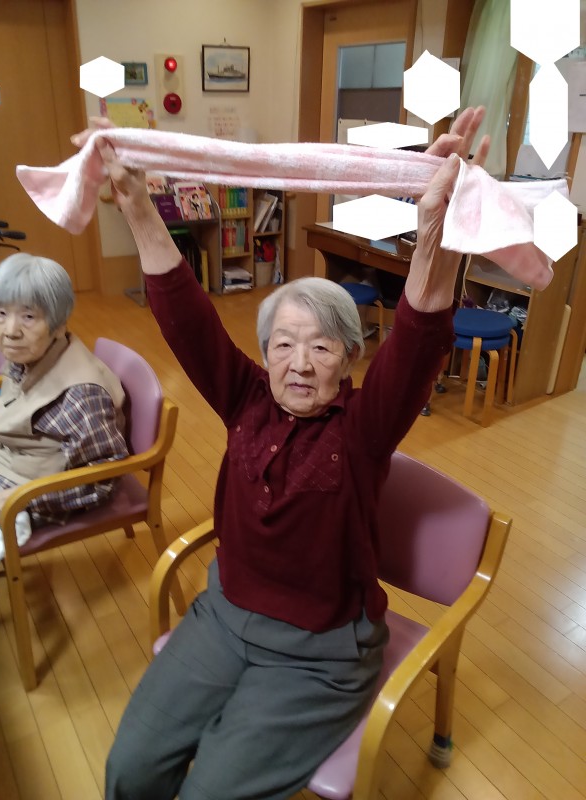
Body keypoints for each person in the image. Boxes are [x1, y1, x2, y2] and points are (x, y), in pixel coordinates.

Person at [82, 107, 489, 800]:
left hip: (321, 651)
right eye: (283, 345)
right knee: (128, 771)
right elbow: (185, 317)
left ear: (349, 359)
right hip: (223, 616)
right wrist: (137, 204)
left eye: (322, 347)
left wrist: (435, 234)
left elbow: (420, 338)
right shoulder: (245, 398)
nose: (299, 364)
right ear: (264, 353)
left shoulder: (363, 429)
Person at [0, 253, 129, 587]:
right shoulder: (28, 355)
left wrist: (24, 497)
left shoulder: (82, 396)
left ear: (59, 324)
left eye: (29, 316)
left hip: (27, 494)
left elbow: (104, 477)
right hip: (5, 465)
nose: (10, 331)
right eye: (1, 313)